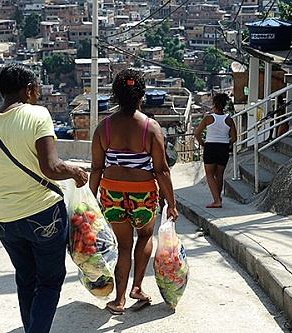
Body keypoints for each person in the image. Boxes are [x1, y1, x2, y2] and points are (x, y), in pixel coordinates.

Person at [0, 63, 88, 332]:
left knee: (26, 279)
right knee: (50, 281)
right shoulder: (37, 115)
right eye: (37, 92)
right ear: (28, 90)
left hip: (5, 220)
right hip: (44, 214)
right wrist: (75, 171)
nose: (39, 97)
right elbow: (51, 168)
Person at [89, 68, 178, 315]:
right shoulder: (151, 128)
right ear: (141, 96)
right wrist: (171, 202)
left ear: (116, 96)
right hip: (143, 193)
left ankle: (118, 301)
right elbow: (161, 169)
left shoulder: (103, 129)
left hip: (112, 193)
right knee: (145, 236)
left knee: (123, 246)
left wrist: (90, 201)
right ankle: (137, 287)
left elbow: (97, 167)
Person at [194, 93, 237, 208]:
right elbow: (234, 138)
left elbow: (197, 133)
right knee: (219, 174)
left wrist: (202, 143)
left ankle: (216, 200)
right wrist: (227, 144)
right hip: (223, 147)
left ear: (214, 104)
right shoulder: (229, 120)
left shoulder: (208, 118)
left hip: (210, 146)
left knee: (209, 174)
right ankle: (218, 198)